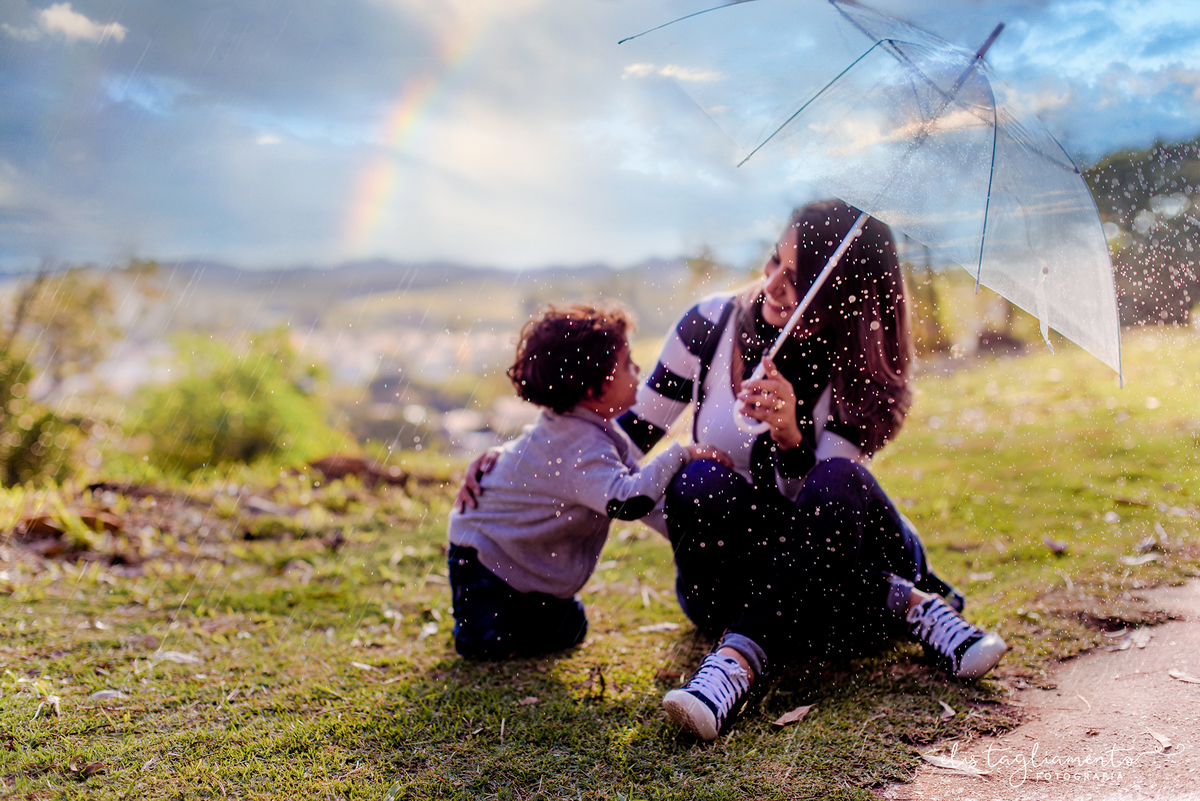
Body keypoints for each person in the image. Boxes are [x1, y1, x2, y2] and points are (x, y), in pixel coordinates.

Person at [614, 200, 1006, 740]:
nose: (771, 284)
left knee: (837, 480)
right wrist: (526, 461)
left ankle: (737, 661)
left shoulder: (857, 370)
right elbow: (627, 437)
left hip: (841, 553)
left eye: (795, 279)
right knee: (698, 483)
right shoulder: (709, 326)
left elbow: (825, 519)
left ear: (841, 297)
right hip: (740, 582)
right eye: (772, 260)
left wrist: (790, 437)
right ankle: (904, 602)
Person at [447, 303, 731, 660]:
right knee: (486, 645)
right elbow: (629, 501)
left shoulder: (591, 433)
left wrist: (710, 542)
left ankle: (520, 613)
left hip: (526, 562)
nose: (637, 370)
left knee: (570, 631)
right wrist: (681, 455)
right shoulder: (579, 446)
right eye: (627, 365)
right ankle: (478, 624)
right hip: (484, 555)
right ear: (595, 389)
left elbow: (652, 503)